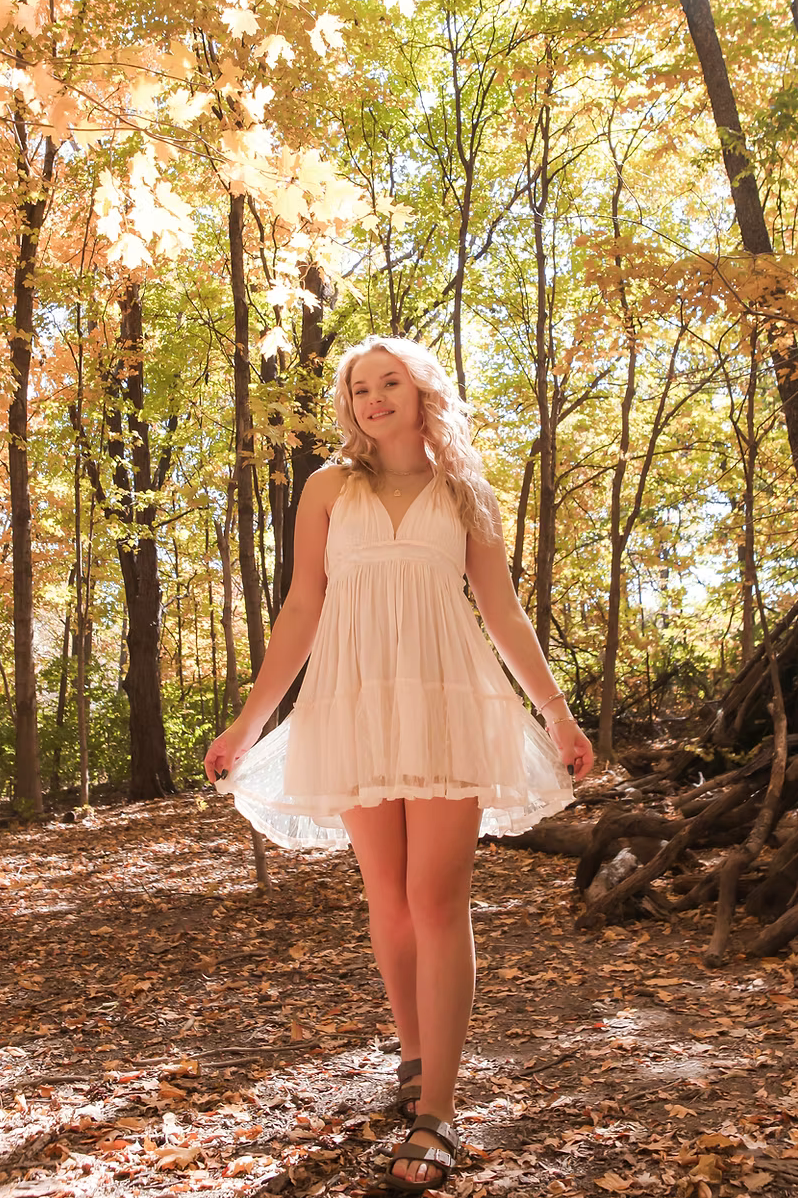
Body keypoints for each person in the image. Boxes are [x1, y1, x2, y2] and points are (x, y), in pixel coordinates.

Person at [204, 335, 594, 1194]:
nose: (373, 397)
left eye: (389, 383)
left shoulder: (465, 490)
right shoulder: (327, 489)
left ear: (422, 393)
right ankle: (415, 1056)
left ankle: (438, 1114)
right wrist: (248, 723)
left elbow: (503, 611)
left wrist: (557, 711)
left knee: (434, 897)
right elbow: (303, 606)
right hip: (355, 701)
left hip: (450, 700)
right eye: (359, 386)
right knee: (387, 898)